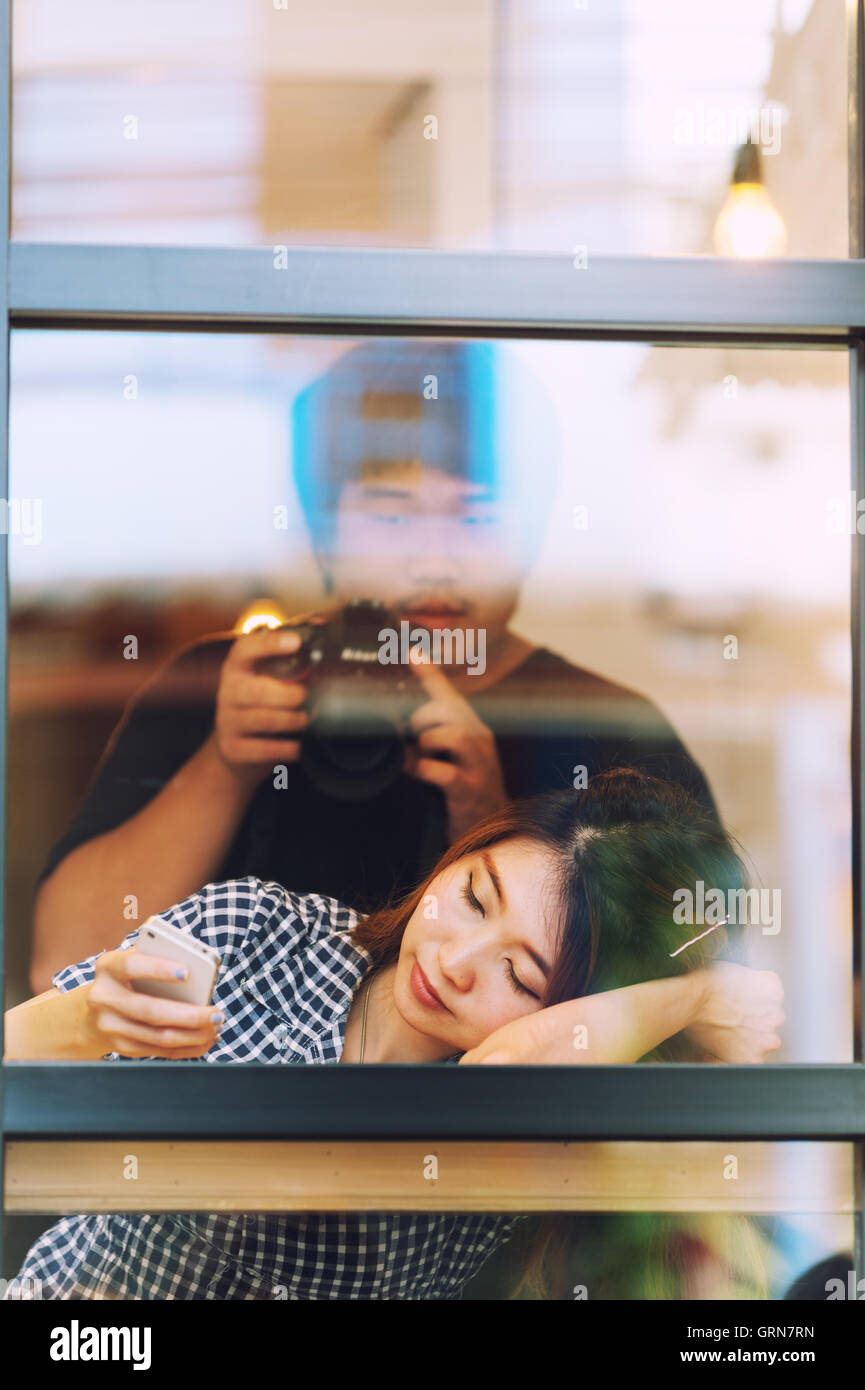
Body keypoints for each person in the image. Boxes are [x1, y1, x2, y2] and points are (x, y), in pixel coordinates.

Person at [30, 340, 722, 991]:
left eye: (473, 519)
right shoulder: (228, 684)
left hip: (490, 1124)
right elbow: (62, 967)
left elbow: (681, 1003)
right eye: (391, 517)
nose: (433, 558)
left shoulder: (606, 729)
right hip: (223, 1121)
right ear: (324, 532)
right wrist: (225, 763)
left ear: (530, 536)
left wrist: (491, 821)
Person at [6, 771, 784, 1300]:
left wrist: (695, 991)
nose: (454, 961)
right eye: (474, 899)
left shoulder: (534, 1105)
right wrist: (85, 1019)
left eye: (520, 977)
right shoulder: (260, 930)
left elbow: (501, 1080)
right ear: (456, 858)